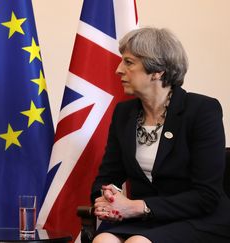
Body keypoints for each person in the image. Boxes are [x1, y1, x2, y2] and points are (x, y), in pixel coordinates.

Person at [91, 27, 230, 243]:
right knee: (103, 240)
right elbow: (107, 177)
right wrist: (108, 197)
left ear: (157, 71)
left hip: (199, 219)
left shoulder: (202, 110)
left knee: (139, 242)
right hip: (146, 221)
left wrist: (137, 207)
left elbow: (206, 196)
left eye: (128, 62)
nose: (118, 70)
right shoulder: (123, 114)